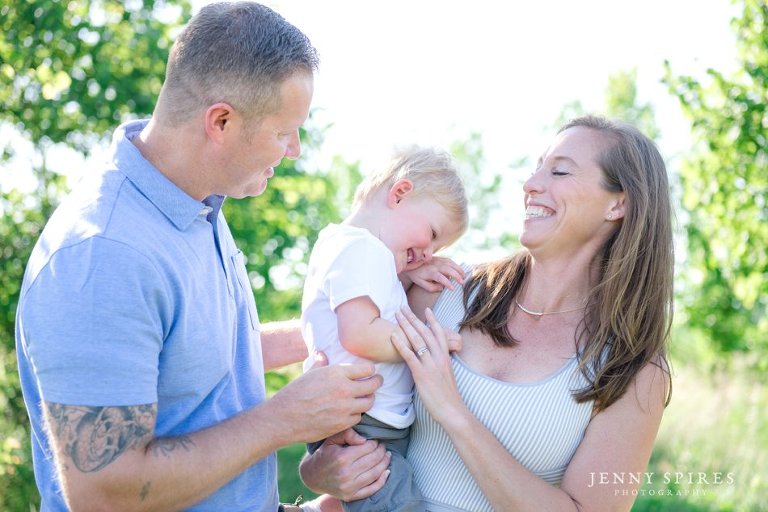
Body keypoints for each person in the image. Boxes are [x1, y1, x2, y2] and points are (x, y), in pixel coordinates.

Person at [14, 3, 382, 511]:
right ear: (222, 121)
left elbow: (195, 363)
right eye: (283, 131)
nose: (294, 149)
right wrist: (284, 419)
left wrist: (344, 325)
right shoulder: (103, 256)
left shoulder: (195, 206)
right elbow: (104, 494)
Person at [298, 115, 674, 512]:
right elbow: (343, 362)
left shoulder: (634, 368)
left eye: (560, 171)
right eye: (536, 169)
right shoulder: (444, 288)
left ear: (618, 203)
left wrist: (454, 413)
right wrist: (317, 470)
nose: (530, 185)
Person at [301, 146, 468, 511]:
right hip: (365, 425)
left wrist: (408, 272)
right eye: (433, 233)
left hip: (366, 419)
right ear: (399, 193)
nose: (430, 252)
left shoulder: (352, 248)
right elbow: (359, 334)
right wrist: (429, 343)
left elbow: (379, 307)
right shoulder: (363, 250)